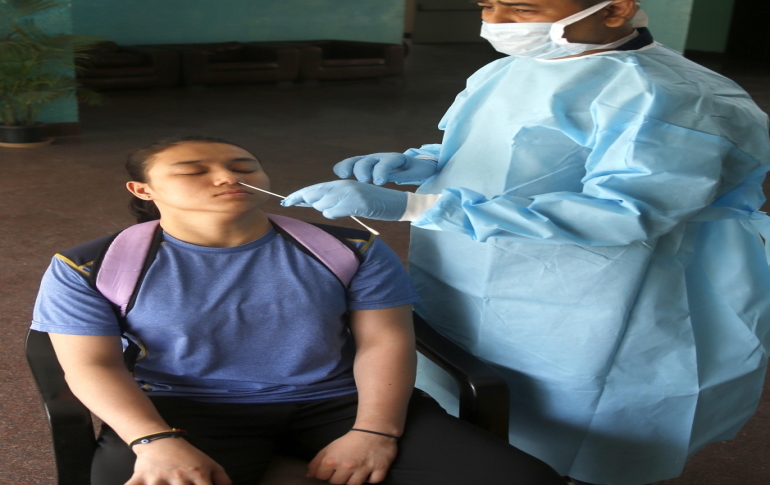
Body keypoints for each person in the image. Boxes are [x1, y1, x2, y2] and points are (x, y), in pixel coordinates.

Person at [283, 0, 770, 485]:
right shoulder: (515, 68)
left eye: (523, 9)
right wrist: (422, 162)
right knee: (464, 376)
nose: (498, 22)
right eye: (488, 6)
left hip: (593, 292)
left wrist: (415, 206)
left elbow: (624, 212)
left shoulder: (673, 96)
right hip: (467, 261)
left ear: (616, 9)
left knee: (577, 409)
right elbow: (501, 146)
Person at [30, 136, 562, 485]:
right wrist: (155, 441)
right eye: (195, 171)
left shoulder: (349, 249)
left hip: (338, 402)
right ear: (142, 190)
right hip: (187, 410)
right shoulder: (91, 265)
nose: (226, 177)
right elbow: (91, 364)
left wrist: (375, 431)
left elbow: (386, 340)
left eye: (243, 166)